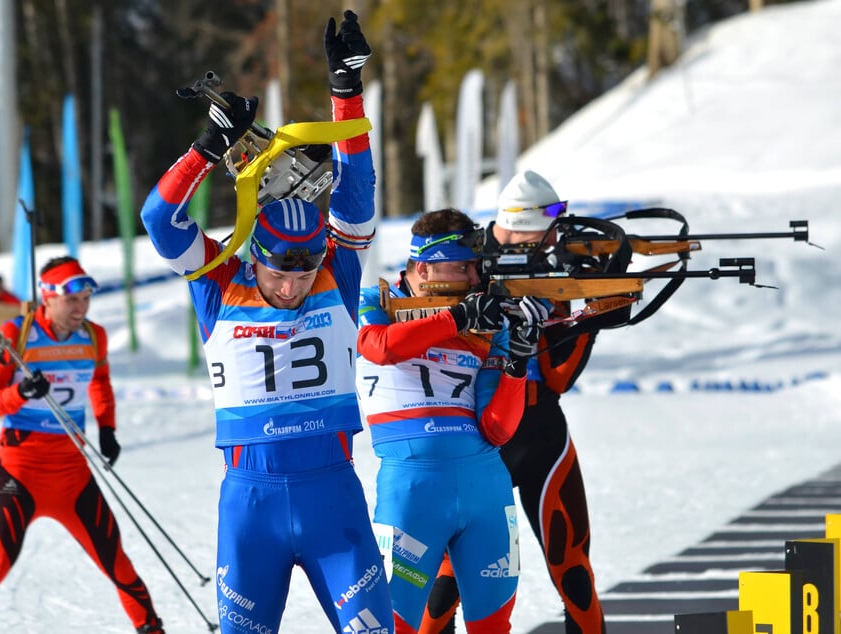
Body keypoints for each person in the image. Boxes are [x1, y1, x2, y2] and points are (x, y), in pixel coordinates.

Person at [139, 10, 393, 634]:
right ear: (256, 255)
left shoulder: (338, 274)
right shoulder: (220, 280)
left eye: (306, 271)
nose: (295, 284)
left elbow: (355, 190)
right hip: (249, 508)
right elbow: (159, 218)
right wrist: (206, 149)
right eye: (282, 271)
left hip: (333, 498)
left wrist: (345, 93)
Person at [421, 170, 607, 634]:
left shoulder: (554, 264)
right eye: (551, 222)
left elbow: (559, 376)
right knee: (447, 578)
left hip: (540, 428)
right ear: (529, 223)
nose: (556, 234)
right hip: (478, 431)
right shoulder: (465, 257)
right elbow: (419, 307)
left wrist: (590, 319)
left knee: (572, 569)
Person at [0, 256, 165, 634]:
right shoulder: (14, 335)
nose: (81, 308)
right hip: (21, 472)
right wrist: (20, 392)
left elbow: (100, 381)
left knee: (117, 562)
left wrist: (107, 428)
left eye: (86, 299)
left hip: (73, 475)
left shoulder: (94, 336)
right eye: (72, 300)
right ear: (48, 297)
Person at [355, 207, 548, 634]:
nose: (475, 278)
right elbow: (380, 347)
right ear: (424, 267)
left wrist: (518, 357)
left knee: (493, 627)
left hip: (485, 486)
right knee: (393, 625)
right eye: (463, 266)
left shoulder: (485, 321)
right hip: (411, 489)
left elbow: (497, 429)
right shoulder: (375, 300)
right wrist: (455, 319)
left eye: (476, 267)